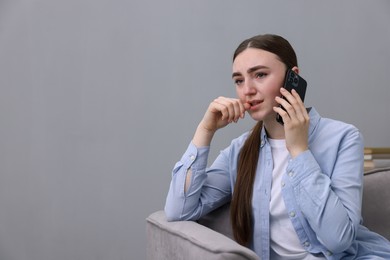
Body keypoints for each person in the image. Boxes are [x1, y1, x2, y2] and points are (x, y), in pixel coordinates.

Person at [164, 34, 390, 259]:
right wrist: (205, 130)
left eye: (260, 75)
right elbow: (179, 210)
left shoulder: (344, 138)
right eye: (239, 80)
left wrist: (300, 151)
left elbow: (338, 239)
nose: (247, 90)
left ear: (293, 77)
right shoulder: (240, 151)